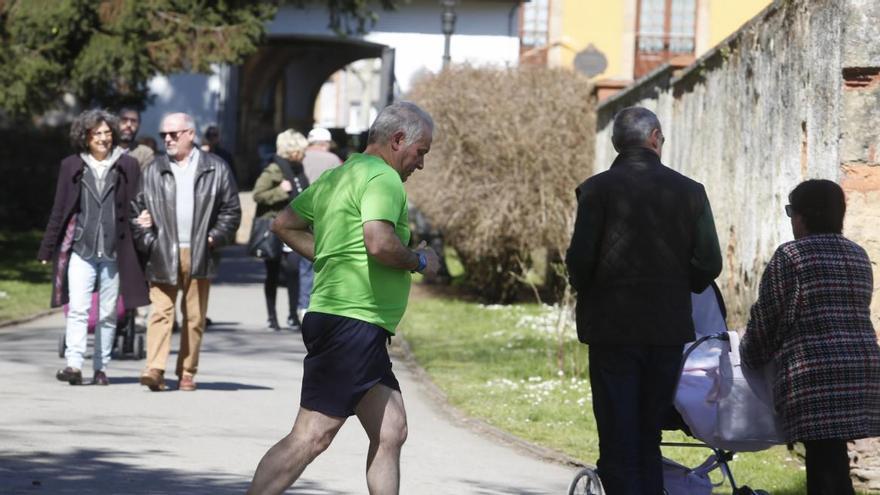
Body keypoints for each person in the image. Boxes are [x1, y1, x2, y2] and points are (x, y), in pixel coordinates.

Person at [246, 101, 440, 495]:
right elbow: (379, 243)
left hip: (351, 324)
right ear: (398, 140)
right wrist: (421, 260)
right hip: (352, 324)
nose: (420, 164)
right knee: (311, 436)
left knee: (391, 429)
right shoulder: (383, 178)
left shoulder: (341, 175)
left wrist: (332, 252)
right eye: (421, 153)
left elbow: (285, 224)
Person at [565, 106, 722, 495]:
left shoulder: (596, 190)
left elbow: (579, 262)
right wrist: (676, 285)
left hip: (610, 328)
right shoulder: (691, 191)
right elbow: (710, 263)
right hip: (666, 327)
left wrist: (592, 287)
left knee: (617, 429)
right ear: (655, 137)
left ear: (619, 143)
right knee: (648, 430)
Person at [740, 179, 880, 495]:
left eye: (792, 211)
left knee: (823, 465)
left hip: (814, 373)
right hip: (860, 369)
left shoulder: (791, 256)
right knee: (831, 459)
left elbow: (768, 317)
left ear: (803, 216)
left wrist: (749, 356)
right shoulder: (857, 255)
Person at [37, 109, 149, 386]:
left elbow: (138, 204)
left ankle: (101, 367)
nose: (103, 138)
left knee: (110, 313)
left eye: (107, 133)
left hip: (114, 252)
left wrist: (146, 219)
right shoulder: (72, 166)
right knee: (78, 309)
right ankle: (74, 365)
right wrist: (47, 248)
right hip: (81, 250)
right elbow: (59, 210)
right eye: (97, 133)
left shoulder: (128, 165)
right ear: (85, 137)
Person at [132, 112, 241, 392]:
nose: (167, 139)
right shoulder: (153, 169)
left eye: (173, 134)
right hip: (162, 251)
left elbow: (232, 210)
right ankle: (154, 369)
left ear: (190, 134)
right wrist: (148, 238)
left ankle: (187, 372)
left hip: (200, 251)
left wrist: (214, 238)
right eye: (163, 135)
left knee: (194, 317)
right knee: (160, 313)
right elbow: (137, 208)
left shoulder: (215, 168)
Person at [252, 130, 310, 331]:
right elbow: (258, 195)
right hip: (274, 228)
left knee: (294, 270)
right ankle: (272, 317)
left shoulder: (299, 170)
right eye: (302, 149)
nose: (305, 153)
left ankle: (293, 315)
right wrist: (280, 191)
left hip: (295, 229)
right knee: (273, 274)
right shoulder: (274, 169)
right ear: (292, 150)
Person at [296, 127, 344, 321]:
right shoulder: (333, 160)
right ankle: (323, 304)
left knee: (305, 262)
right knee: (325, 260)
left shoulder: (300, 158)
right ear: (326, 143)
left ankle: (303, 306)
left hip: (301, 214)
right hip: (327, 216)